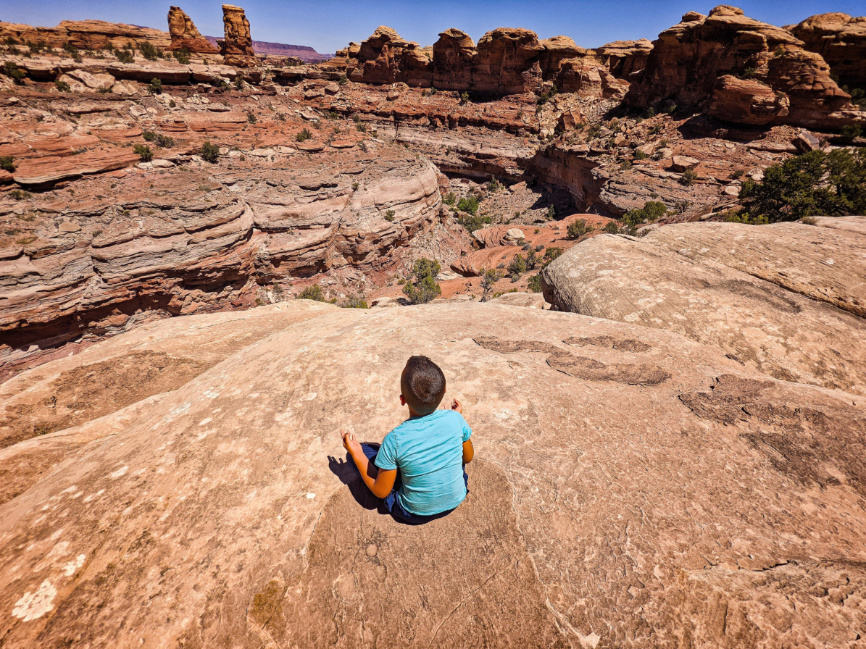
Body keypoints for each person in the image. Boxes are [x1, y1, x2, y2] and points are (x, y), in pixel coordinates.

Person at [340, 355, 474, 524]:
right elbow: (467, 458)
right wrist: (456, 421)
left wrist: (356, 453)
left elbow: (381, 491)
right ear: (445, 389)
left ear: (402, 400)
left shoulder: (394, 439)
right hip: (456, 497)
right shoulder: (456, 419)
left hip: (414, 512)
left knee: (364, 453)